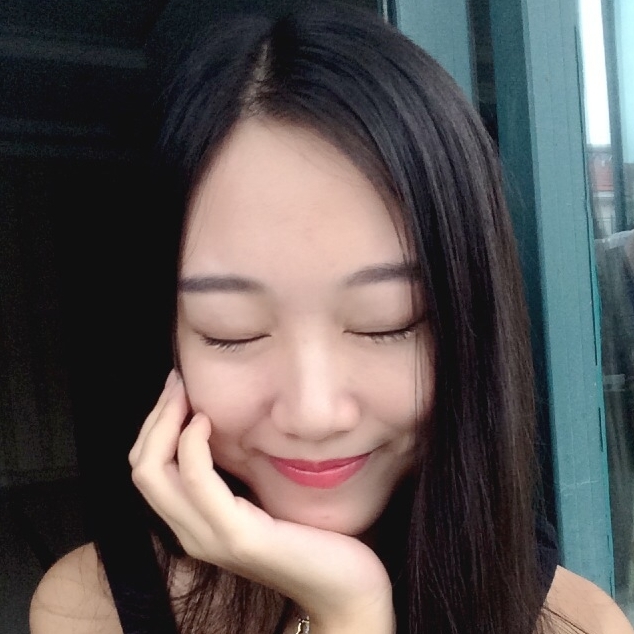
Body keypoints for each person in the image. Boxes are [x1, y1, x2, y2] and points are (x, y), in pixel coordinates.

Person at [29, 4, 634, 634]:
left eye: (387, 321)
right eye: (231, 330)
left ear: (470, 328)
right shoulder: (89, 610)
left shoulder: (578, 624)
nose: (313, 413)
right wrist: (350, 611)